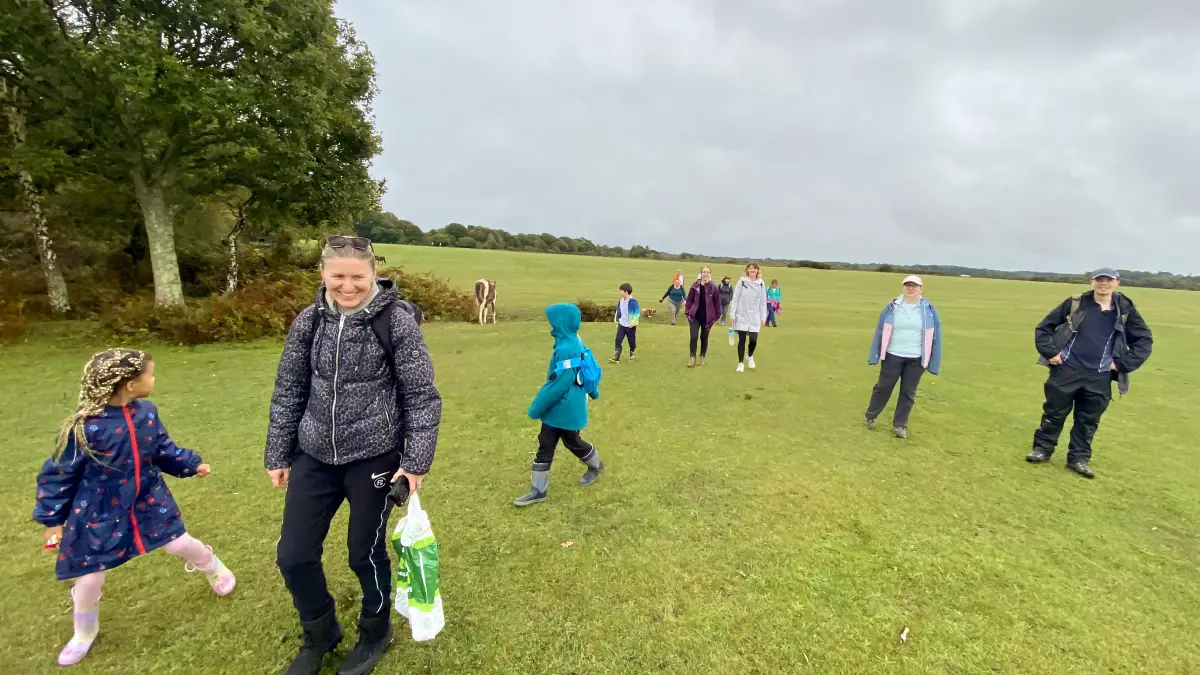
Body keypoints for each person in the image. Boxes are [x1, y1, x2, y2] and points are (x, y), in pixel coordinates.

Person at [265, 235, 442, 675]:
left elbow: (421, 395)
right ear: (323, 274)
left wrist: (415, 461)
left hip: (375, 457)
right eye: (338, 276)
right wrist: (278, 453)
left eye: (357, 277)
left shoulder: (396, 321)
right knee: (293, 555)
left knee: (364, 553)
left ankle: (375, 630)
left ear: (372, 273)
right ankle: (320, 632)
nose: (348, 286)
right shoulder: (308, 323)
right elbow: (289, 389)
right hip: (314, 455)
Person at [33, 348, 235, 667]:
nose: (154, 380)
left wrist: (191, 465)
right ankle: (83, 632)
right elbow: (58, 473)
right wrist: (52, 520)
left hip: (148, 498)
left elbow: (162, 449)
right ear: (129, 384)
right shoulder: (84, 427)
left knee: (179, 543)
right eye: (150, 375)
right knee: (88, 578)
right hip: (97, 509)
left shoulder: (147, 413)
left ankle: (213, 567)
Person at [1026, 268, 1153, 478]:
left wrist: (1122, 364)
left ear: (1117, 284)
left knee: (1088, 420)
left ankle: (1079, 459)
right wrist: (1050, 352)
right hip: (1067, 370)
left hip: (1100, 375)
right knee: (1054, 413)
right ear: (1092, 282)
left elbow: (1144, 340)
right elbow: (1044, 328)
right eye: (1099, 280)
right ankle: (1042, 450)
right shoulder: (1076, 303)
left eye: (1108, 280)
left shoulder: (1125, 310)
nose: (1103, 284)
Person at [514, 302, 604, 506]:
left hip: (565, 408)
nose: (551, 326)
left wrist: (535, 408)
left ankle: (596, 465)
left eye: (553, 322)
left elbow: (558, 385)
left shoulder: (567, 347)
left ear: (562, 323)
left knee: (573, 442)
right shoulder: (572, 340)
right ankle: (538, 490)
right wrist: (593, 391)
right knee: (546, 442)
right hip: (560, 408)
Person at [865, 275, 943, 438]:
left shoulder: (929, 310)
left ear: (921, 289)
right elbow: (880, 331)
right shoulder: (892, 307)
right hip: (893, 354)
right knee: (884, 387)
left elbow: (936, 335)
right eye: (907, 285)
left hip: (917, 358)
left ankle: (900, 425)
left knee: (908, 392)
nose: (911, 288)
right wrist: (875, 353)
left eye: (914, 285)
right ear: (903, 287)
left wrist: (933, 361)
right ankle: (871, 416)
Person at [728, 263, 769, 372]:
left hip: (754, 316)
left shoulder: (761, 284)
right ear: (747, 270)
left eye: (754, 268)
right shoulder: (742, 282)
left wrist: (763, 317)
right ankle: (740, 363)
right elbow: (735, 298)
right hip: (742, 315)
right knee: (742, 340)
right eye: (750, 268)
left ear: (757, 271)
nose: (752, 270)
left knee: (753, 340)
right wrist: (733, 314)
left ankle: (750, 356)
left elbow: (763, 302)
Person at [685, 266, 723, 368]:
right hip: (694, 317)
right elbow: (689, 301)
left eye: (707, 272)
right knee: (694, 337)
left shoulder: (714, 288)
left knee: (704, 338)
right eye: (704, 272)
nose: (705, 274)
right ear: (701, 274)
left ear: (710, 274)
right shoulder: (695, 286)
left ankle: (702, 357)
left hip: (708, 318)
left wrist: (716, 316)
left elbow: (717, 304)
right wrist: (688, 313)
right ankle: (692, 358)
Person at [612, 283, 640, 363]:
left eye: (621, 291)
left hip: (630, 326)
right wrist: (617, 321)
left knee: (631, 340)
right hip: (622, 324)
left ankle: (632, 353)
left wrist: (633, 323)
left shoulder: (633, 302)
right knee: (618, 339)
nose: (620, 293)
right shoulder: (621, 301)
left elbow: (636, 313)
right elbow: (618, 311)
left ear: (626, 292)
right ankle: (616, 357)